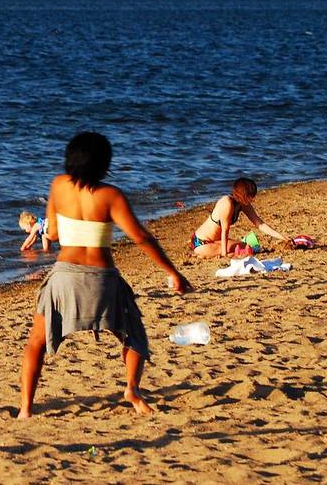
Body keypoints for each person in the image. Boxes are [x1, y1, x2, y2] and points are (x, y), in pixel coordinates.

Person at [18, 133, 192, 419]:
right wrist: (172, 272)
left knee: (36, 340)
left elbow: (52, 233)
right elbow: (141, 237)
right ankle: (132, 390)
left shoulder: (59, 185)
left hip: (65, 278)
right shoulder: (111, 195)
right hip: (102, 279)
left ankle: (25, 408)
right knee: (133, 335)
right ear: (104, 164)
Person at [189, 178, 289, 259]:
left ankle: (209, 253)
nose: (253, 199)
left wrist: (283, 238)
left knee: (246, 247)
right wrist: (225, 254)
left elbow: (260, 224)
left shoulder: (243, 204)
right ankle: (201, 253)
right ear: (243, 195)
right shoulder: (227, 203)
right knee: (244, 249)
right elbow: (225, 230)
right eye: (251, 196)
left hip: (216, 241)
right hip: (201, 242)